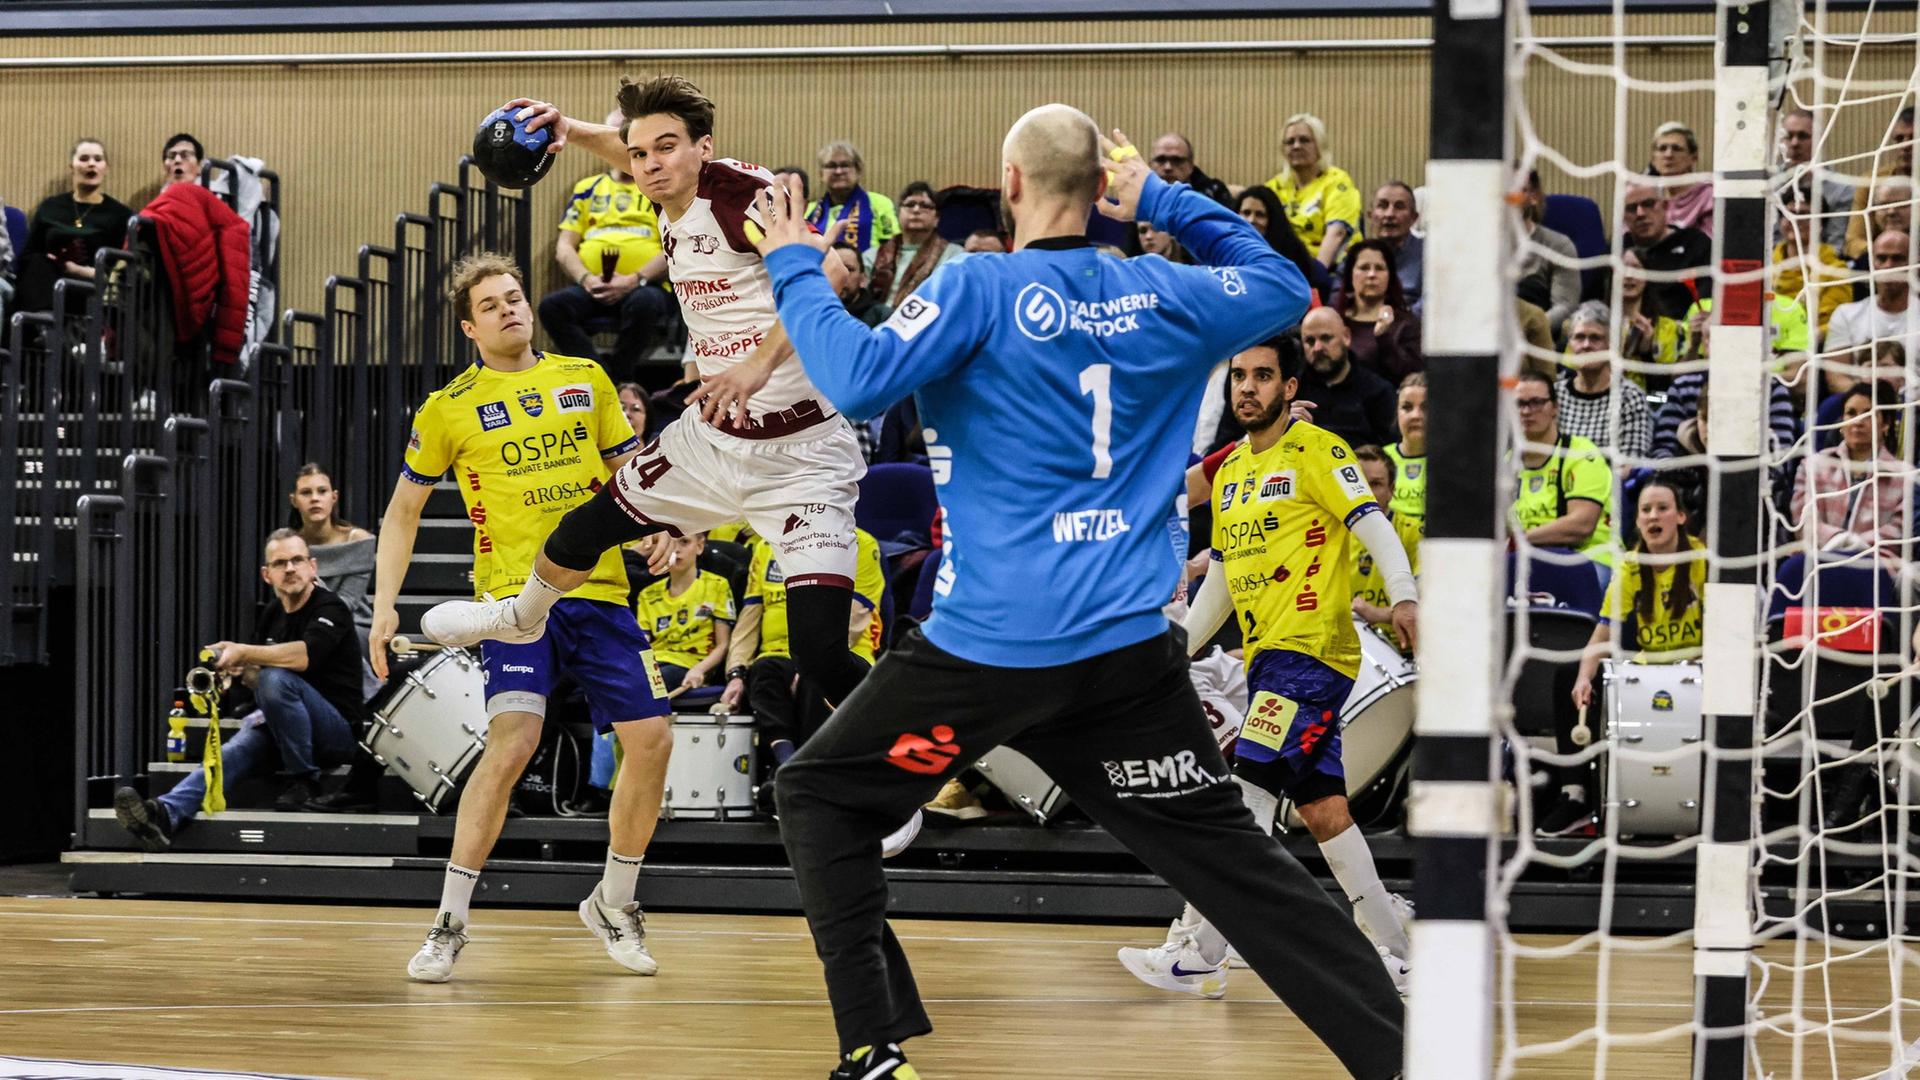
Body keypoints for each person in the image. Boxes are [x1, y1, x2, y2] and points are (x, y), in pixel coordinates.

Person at [754, 109, 1403, 1080]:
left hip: (986, 656)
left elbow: (851, 378)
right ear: (1099, 183)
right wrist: (1164, 201)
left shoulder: (976, 286)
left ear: (1009, 183)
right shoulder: (1162, 289)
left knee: (818, 795)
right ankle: (1408, 1059)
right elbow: (1283, 285)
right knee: (1244, 876)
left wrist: (796, 263)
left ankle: (874, 1049)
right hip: (1127, 663)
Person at [422, 77, 899, 865]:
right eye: (638, 152)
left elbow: (830, 276)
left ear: (703, 148)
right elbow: (633, 150)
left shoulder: (743, 194)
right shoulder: (664, 191)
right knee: (585, 525)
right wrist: (569, 129)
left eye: (666, 146)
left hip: (803, 454)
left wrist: (754, 363)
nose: (647, 164)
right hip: (714, 441)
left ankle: (900, 776)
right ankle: (521, 615)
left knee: (818, 649)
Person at [369, 252, 673, 983]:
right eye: (493, 304)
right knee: (511, 746)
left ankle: (615, 903)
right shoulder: (448, 407)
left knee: (653, 740)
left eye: (515, 297)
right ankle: (448, 925)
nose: (510, 308)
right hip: (512, 607)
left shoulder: (585, 378)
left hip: (598, 592)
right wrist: (383, 611)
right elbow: (403, 511)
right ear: (470, 326)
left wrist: (657, 522)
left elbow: (627, 474)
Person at [1120, 338, 1419, 1000]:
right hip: (1268, 661)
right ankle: (1398, 953)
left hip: (1310, 655)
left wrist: (1404, 594)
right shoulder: (1230, 476)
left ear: (1289, 389)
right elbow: (1222, 580)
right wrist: (1179, 652)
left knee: (1245, 792)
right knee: (1322, 811)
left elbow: (1370, 524)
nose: (1247, 388)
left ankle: (1201, 949)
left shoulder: (1319, 450)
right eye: (1239, 378)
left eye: (1263, 376)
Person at [111, 531, 368, 850]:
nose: (290, 568)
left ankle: (304, 779)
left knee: (274, 680)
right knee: (236, 748)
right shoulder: (272, 614)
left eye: (297, 560)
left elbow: (304, 657)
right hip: (286, 729)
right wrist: (238, 674)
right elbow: (259, 680)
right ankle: (165, 812)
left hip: (337, 732)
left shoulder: (331, 607)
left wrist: (245, 653)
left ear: (313, 567)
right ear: (267, 574)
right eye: (280, 563)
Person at [1555, 477, 1706, 835]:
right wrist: (1582, 677)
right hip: (1647, 674)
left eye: (1662, 508)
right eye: (1645, 510)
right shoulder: (1629, 567)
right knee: (1566, 677)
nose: (1653, 516)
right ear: (1637, 521)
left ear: (1681, 516)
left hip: (1700, 673)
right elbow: (1603, 635)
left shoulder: (1702, 561)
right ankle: (1576, 796)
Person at [721, 527, 887, 774]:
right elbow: (750, 617)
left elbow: (856, 615)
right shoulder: (767, 546)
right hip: (777, 653)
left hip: (839, 650)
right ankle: (786, 767)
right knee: (764, 670)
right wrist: (735, 673)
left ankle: (815, 773)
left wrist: (811, 658)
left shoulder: (859, 543)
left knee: (821, 676)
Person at [536, 110, 678, 383]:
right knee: (552, 307)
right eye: (612, 135)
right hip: (593, 287)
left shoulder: (656, 187)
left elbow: (672, 246)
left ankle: (620, 376)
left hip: (643, 289)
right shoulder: (588, 188)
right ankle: (601, 376)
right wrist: (586, 279)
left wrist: (634, 280)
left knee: (645, 303)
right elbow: (565, 247)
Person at [1512, 368, 1616, 588]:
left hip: (1587, 559)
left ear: (1555, 408)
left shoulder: (1582, 453)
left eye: (1537, 402)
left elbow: (1581, 525)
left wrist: (1520, 539)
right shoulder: (1506, 464)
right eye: (1519, 404)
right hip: (1526, 560)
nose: (1527, 411)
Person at [1791, 382, 1908, 570]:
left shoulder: (1904, 475)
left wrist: (1856, 546)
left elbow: (1899, 530)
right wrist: (1839, 540)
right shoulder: (1813, 465)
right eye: (1851, 413)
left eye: (1868, 414)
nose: (1857, 421)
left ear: (1885, 424)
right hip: (1817, 562)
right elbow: (1802, 519)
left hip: (1876, 566)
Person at [16, 138, 134, 316]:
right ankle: (44, 325)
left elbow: (120, 268)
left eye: (97, 159)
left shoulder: (120, 214)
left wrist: (80, 271)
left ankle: (47, 328)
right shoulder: (50, 206)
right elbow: (28, 256)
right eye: (84, 159)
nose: (91, 164)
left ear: (106, 168)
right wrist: (53, 262)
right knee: (36, 264)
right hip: (46, 281)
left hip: (91, 285)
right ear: (71, 167)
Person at [1555, 301, 1652, 465]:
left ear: (1611, 345)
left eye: (1595, 338)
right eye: (1579, 337)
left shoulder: (1630, 397)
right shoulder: (1555, 394)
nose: (1586, 345)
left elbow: (1632, 462)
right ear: (1570, 344)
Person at [1265, 113, 1361, 268]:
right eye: (1290, 142)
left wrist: (1316, 274)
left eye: (1304, 140)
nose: (1296, 146)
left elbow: (1337, 233)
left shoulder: (1337, 181)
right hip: (1284, 268)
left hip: (1329, 269)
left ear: (1319, 146)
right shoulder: (1274, 187)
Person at [1350, 444, 1424, 643]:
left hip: (1401, 647)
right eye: (1359, 483)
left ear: (1392, 490)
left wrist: (1377, 614)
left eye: (1375, 484)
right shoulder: (1330, 534)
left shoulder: (1413, 532)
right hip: (1348, 648)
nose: (1365, 492)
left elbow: (1434, 606)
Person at [1296, 305, 1399, 448]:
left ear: (1346, 336)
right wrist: (1284, 426)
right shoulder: (1292, 389)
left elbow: (1389, 453)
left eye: (1326, 338)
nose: (1317, 348)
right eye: (1309, 341)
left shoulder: (1378, 391)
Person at [1333, 238, 1423, 384]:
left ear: (1390, 276)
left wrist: (1384, 337)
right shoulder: (1336, 322)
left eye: (1379, 268)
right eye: (1364, 268)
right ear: (1350, 275)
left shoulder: (1405, 323)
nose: (1371, 275)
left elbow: (1412, 376)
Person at [1620, 181, 1711, 321]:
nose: (1640, 213)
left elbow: (1707, 303)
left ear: (1665, 206)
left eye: (1648, 204)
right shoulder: (1616, 250)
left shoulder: (1695, 245)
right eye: (1631, 208)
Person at [1772, 180, 1852, 338]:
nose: (1796, 220)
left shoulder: (1836, 270)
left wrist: (1792, 340)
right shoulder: (1766, 266)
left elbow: (1832, 325)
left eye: (1805, 215)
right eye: (1790, 214)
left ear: (1821, 224)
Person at [1827, 229, 1918, 364]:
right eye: (1882, 258)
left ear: (1914, 264)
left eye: (1898, 259)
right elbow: (1837, 377)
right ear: (1871, 263)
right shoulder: (1846, 315)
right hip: (1860, 385)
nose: (1888, 266)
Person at [868, 181, 961, 308]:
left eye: (925, 206)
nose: (916, 210)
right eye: (910, 205)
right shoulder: (872, 256)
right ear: (898, 215)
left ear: (936, 219)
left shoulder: (955, 256)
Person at [806, 139, 899, 262]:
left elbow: (892, 244)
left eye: (845, 165)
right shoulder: (810, 209)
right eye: (831, 166)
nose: (838, 171)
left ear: (858, 169)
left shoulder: (879, 203)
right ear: (821, 174)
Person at [1236, 184, 1332, 300]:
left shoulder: (1293, 256)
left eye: (1260, 215)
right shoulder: (1223, 248)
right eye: (1246, 213)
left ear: (1273, 220)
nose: (1251, 220)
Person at [1610, 248, 1689, 390]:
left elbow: (1665, 388)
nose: (1629, 275)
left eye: (1636, 269)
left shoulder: (1668, 328)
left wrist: (1646, 353)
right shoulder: (1594, 325)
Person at [1776, 107, 1853, 251]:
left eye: (1803, 136)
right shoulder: (1767, 186)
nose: (1794, 143)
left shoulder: (1842, 191)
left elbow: (1835, 244)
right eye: (1789, 136)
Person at [1517, 170, 1581, 338]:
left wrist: (1529, 329)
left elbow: (1565, 306)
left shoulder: (1558, 245)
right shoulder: (1483, 245)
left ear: (1533, 197)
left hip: (1537, 339)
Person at [1844, 106, 1913, 260]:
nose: (1905, 145)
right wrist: (1887, 251)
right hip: (1878, 263)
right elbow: (1853, 242)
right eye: (1899, 139)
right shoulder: (1871, 182)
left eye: (1914, 138)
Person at [1649, 121, 1715, 235]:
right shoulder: (1646, 197)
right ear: (1654, 160)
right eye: (1662, 148)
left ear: (1693, 158)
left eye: (1677, 148)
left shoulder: (1708, 196)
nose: (1668, 155)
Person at [1383, 372, 1427, 538]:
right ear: (1397, 412)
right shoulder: (1381, 458)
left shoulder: (1448, 463)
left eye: (1425, 407)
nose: (1416, 415)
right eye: (1407, 407)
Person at [1368, 180, 1423, 312]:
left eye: (1399, 207)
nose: (1389, 214)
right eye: (1382, 206)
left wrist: (1395, 320)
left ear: (1414, 218)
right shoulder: (1357, 255)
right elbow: (1338, 298)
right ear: (1371, 216)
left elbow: (1432, 302)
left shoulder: (1429, 255)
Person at [1147, 131, 1234, 207]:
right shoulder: (1137, 193)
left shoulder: (1214, 191)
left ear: (1191, 166)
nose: (1168, 167)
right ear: (1150, 165)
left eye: (1177, 160)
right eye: (1160, 160)